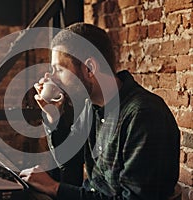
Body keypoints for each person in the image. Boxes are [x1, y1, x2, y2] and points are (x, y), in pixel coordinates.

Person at [19, 22, 180, 200]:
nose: (51, 78)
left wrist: (54, 188)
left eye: (58, 69)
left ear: (89, 69)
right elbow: (70, 163)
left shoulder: (144, 115)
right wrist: (54, 118)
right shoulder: (92, 106)